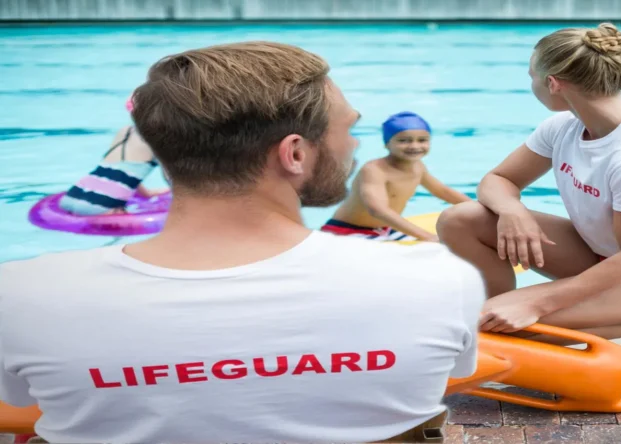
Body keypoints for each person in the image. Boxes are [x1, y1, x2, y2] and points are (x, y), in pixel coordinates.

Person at [0, 42, 484, 443]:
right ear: (294, 153)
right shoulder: (435, 278)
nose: (355, 145)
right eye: (349, 129)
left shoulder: (23, 295)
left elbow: (19, 404)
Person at [436, 23, 621, 370]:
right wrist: (513, 211)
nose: (531, 84)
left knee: (491, 338)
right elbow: (499, 179)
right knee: (461, 219)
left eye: (531, 76)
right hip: (607, 256)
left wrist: (539, 303)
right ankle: (503, 310)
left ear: (553, 83)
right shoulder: (565, 126)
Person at [322, 111, 471, 241]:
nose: (414, 146)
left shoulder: (418, 167)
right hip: (347, 231)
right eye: (403, 140)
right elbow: (378, 210)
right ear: (387, 143)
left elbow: (442, 191)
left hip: (384, 230)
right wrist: (428, 236)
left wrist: (477, 207)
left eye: (422, 140)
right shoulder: (374, 170)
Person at [57, 96, 169, 216]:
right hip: (102, 205)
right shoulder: (160, 141)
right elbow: (174, 181)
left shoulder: (125, 131)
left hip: (72, 196)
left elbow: (121, 171)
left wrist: (146, 193)